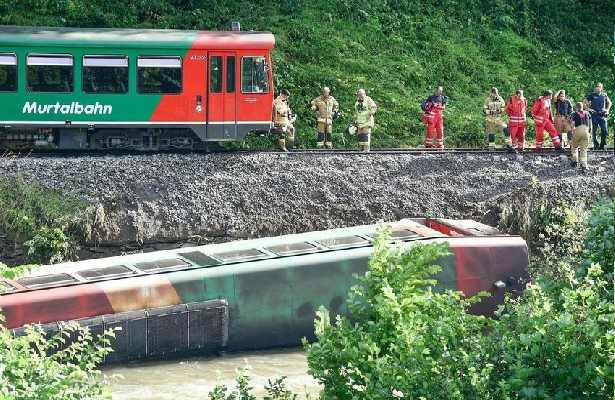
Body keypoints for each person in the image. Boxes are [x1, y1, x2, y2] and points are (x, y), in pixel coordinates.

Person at [585, 83, 611, 149]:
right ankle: (596, 145)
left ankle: (603, 145)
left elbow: (610, 103)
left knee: (604, 130)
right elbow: (584, 102)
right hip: (594, 115)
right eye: (597, 87)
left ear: (601, 88)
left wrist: (607, 110)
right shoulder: (592, 95)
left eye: (599, 87)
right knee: (594, 131)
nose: (598, 88)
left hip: (603, 115)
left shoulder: (604, 95)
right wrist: (589, 109)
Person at [569, 102, 592, 172]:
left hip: (578, 129)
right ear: (583, 107)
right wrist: (590, 133)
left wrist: (573, 132)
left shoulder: (574, 114)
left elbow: (573, 124)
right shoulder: (588, 113)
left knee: (574, 146)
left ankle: (575, 161)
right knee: (584, 149)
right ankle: (584, 165)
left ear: (576, 107)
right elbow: (591, 124)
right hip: (586, 130)